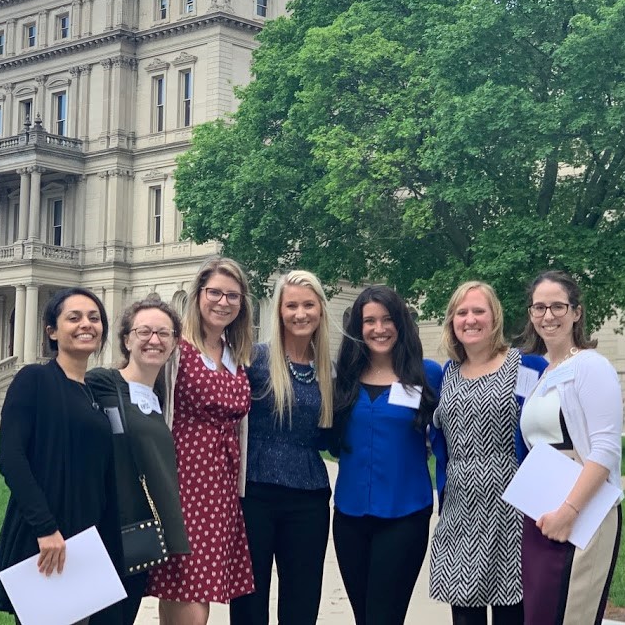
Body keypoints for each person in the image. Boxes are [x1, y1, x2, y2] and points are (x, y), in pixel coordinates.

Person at [0, 287, 124, 624]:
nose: (87, 324)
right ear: (52, 331)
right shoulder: (34, 379)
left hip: (88, 537)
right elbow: (11, 457)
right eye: (74, 317)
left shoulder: (94, 393)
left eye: (95, 318)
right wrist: (46, 528)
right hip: (50, 535)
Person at [428, 281, 546, 625]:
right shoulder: (447, 374)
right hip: (461, 508)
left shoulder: (526, 367)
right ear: (452, 321)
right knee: (464, 610)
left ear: (495, 317)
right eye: (461, 312)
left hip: (513, 507)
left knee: (514, 610)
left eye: (479, 311)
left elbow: (548, 430)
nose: (470, 319)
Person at [148, 257, 255, 625]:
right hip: (182, 483)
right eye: (215, 293)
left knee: (193, 593)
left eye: (233, 296)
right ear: (198, 295)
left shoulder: (236, 356)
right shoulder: (176, 349)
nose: (223, 302)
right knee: (191, 597)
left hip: (221, 489)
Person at [330, 285, 442, 625]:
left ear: (402, 323)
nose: (379, 329)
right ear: (358, 328)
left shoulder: (428, 374)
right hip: (349, 516)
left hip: (404, 515)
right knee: (363, 617)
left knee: (384, 618)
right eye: (370, 321)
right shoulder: (342, 378)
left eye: (388, 319)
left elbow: (448, 436)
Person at [517, 271, 623, 625]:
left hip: (581, 513)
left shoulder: (591, 367)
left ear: (576, 312)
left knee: (571, 615)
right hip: (540, 516)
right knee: (540, 616)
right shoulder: (543, 373)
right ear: (531, 314)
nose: (549, 316)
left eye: (558, 306)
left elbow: (605, 450)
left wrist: (569, 512)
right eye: (540, 307)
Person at [230, 271, 335, 625]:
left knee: (302, 597)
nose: (300, 314)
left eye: (308, 305)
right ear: (279, 311)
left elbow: (330, 438)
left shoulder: (329, 372)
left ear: (320, 310)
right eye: (291, 305)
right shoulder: (253, 360)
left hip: (309, 496)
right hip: (255, 493)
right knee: (249, 597)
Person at [87, 297, 191, 625]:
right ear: (127, 339)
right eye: (143, 331)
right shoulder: (102, 383)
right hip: (101, 528)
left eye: (164, 333)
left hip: (138, 536)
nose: (154, 340)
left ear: (175, 343)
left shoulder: (165, 400)